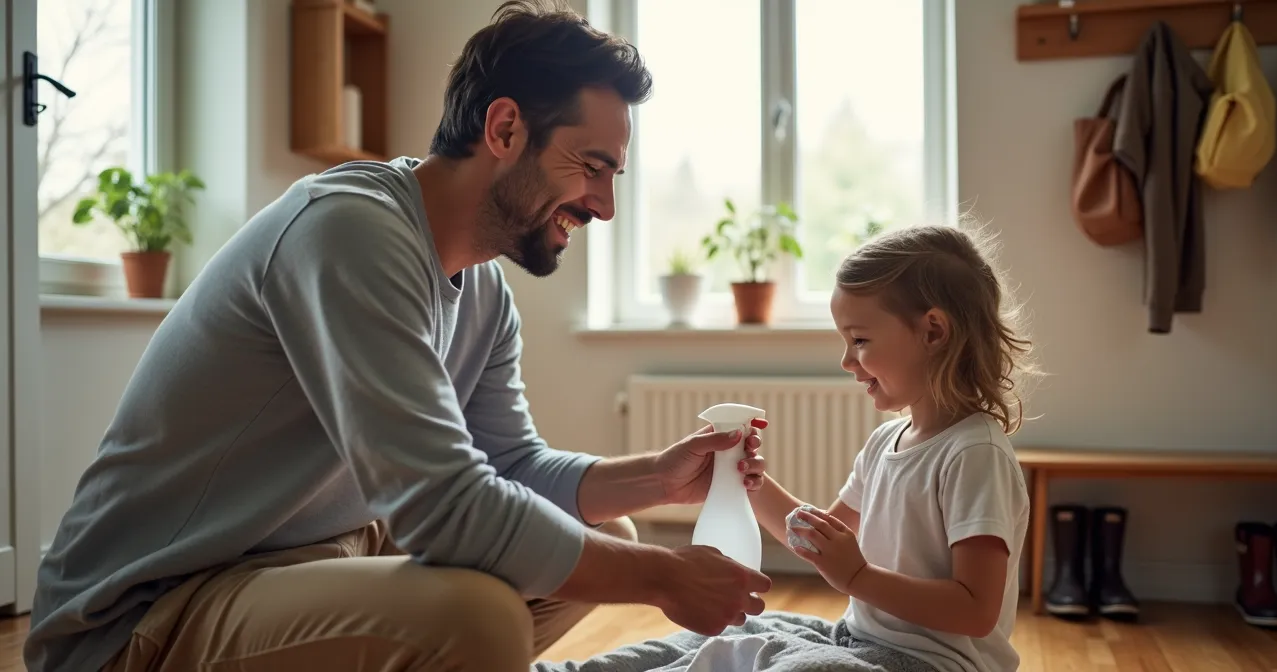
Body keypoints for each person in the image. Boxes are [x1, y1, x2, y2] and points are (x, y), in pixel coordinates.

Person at [23, 2, 775, 671]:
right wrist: (664, 580)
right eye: (593, 167)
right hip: (145, 612)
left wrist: (656, 475)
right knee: (475, 616)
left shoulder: (482, 286)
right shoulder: (349, 231)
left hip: (305, 556)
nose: (605, 206)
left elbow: (509, 463)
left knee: (603, 529)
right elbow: (441, 503)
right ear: (505, 128)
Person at [533, 224, 1038, 672]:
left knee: (790, 665)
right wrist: (752, 483)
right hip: (861, 641)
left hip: (934, 664)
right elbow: (814, 539)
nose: (846, 360)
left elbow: (975, 610)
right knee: (734, 637)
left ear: (932, 331)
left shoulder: (975, 454)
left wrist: (858, 576)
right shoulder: (888, 440)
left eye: (859, 340)